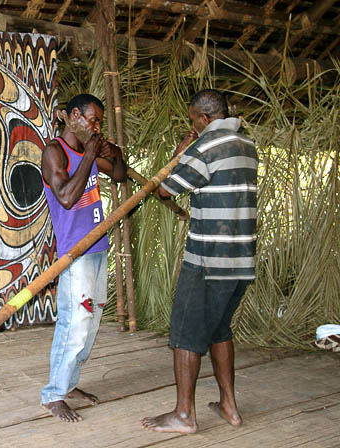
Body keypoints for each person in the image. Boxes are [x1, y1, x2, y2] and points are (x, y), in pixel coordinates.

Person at [141, 89, 258, 434]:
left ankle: (184, 415)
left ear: (203, 119)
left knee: (186, 334)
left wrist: (182, 150)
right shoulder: (246, 145)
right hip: (241, 260)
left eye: (193, 119)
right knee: (219, 329)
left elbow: (166, 189)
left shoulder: (205, 147)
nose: (193, 124)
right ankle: (229, 406)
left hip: (208, 260)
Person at [41, 94, 127, 422]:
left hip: (97, 247)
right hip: (75, 252)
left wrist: (112, 153)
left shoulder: (86, 149)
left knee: (90, 324)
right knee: (74, 322)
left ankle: (69, 383)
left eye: (98, 122)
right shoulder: (55, 152)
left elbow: (119, 174)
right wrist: (90, 155)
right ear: (74, 115)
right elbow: (65, 197)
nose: (96, 126)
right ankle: (53, 394)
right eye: (92, 120)